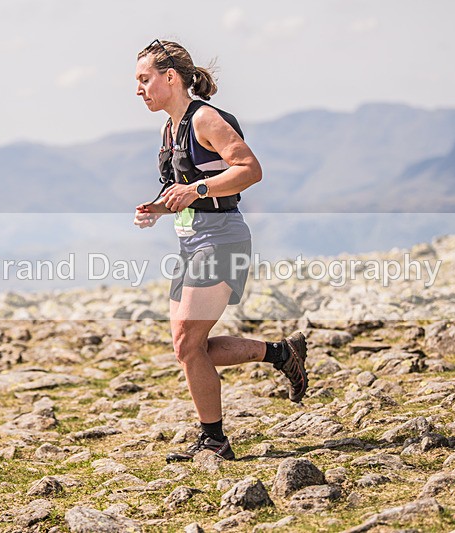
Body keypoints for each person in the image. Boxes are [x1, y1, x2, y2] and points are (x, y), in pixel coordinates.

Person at [133, 39, 308, 462]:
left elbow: (250, 169)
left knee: (187, 342)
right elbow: (187, 183)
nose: (139, 89)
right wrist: (160, 206)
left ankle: (214, 440)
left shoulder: (205, 119)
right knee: (188, 346)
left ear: (170, 77)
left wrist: (195, 189)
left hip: (222, 238)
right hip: (191, 239)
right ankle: (281, 353)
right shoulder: (168, 128)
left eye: (144, 79)